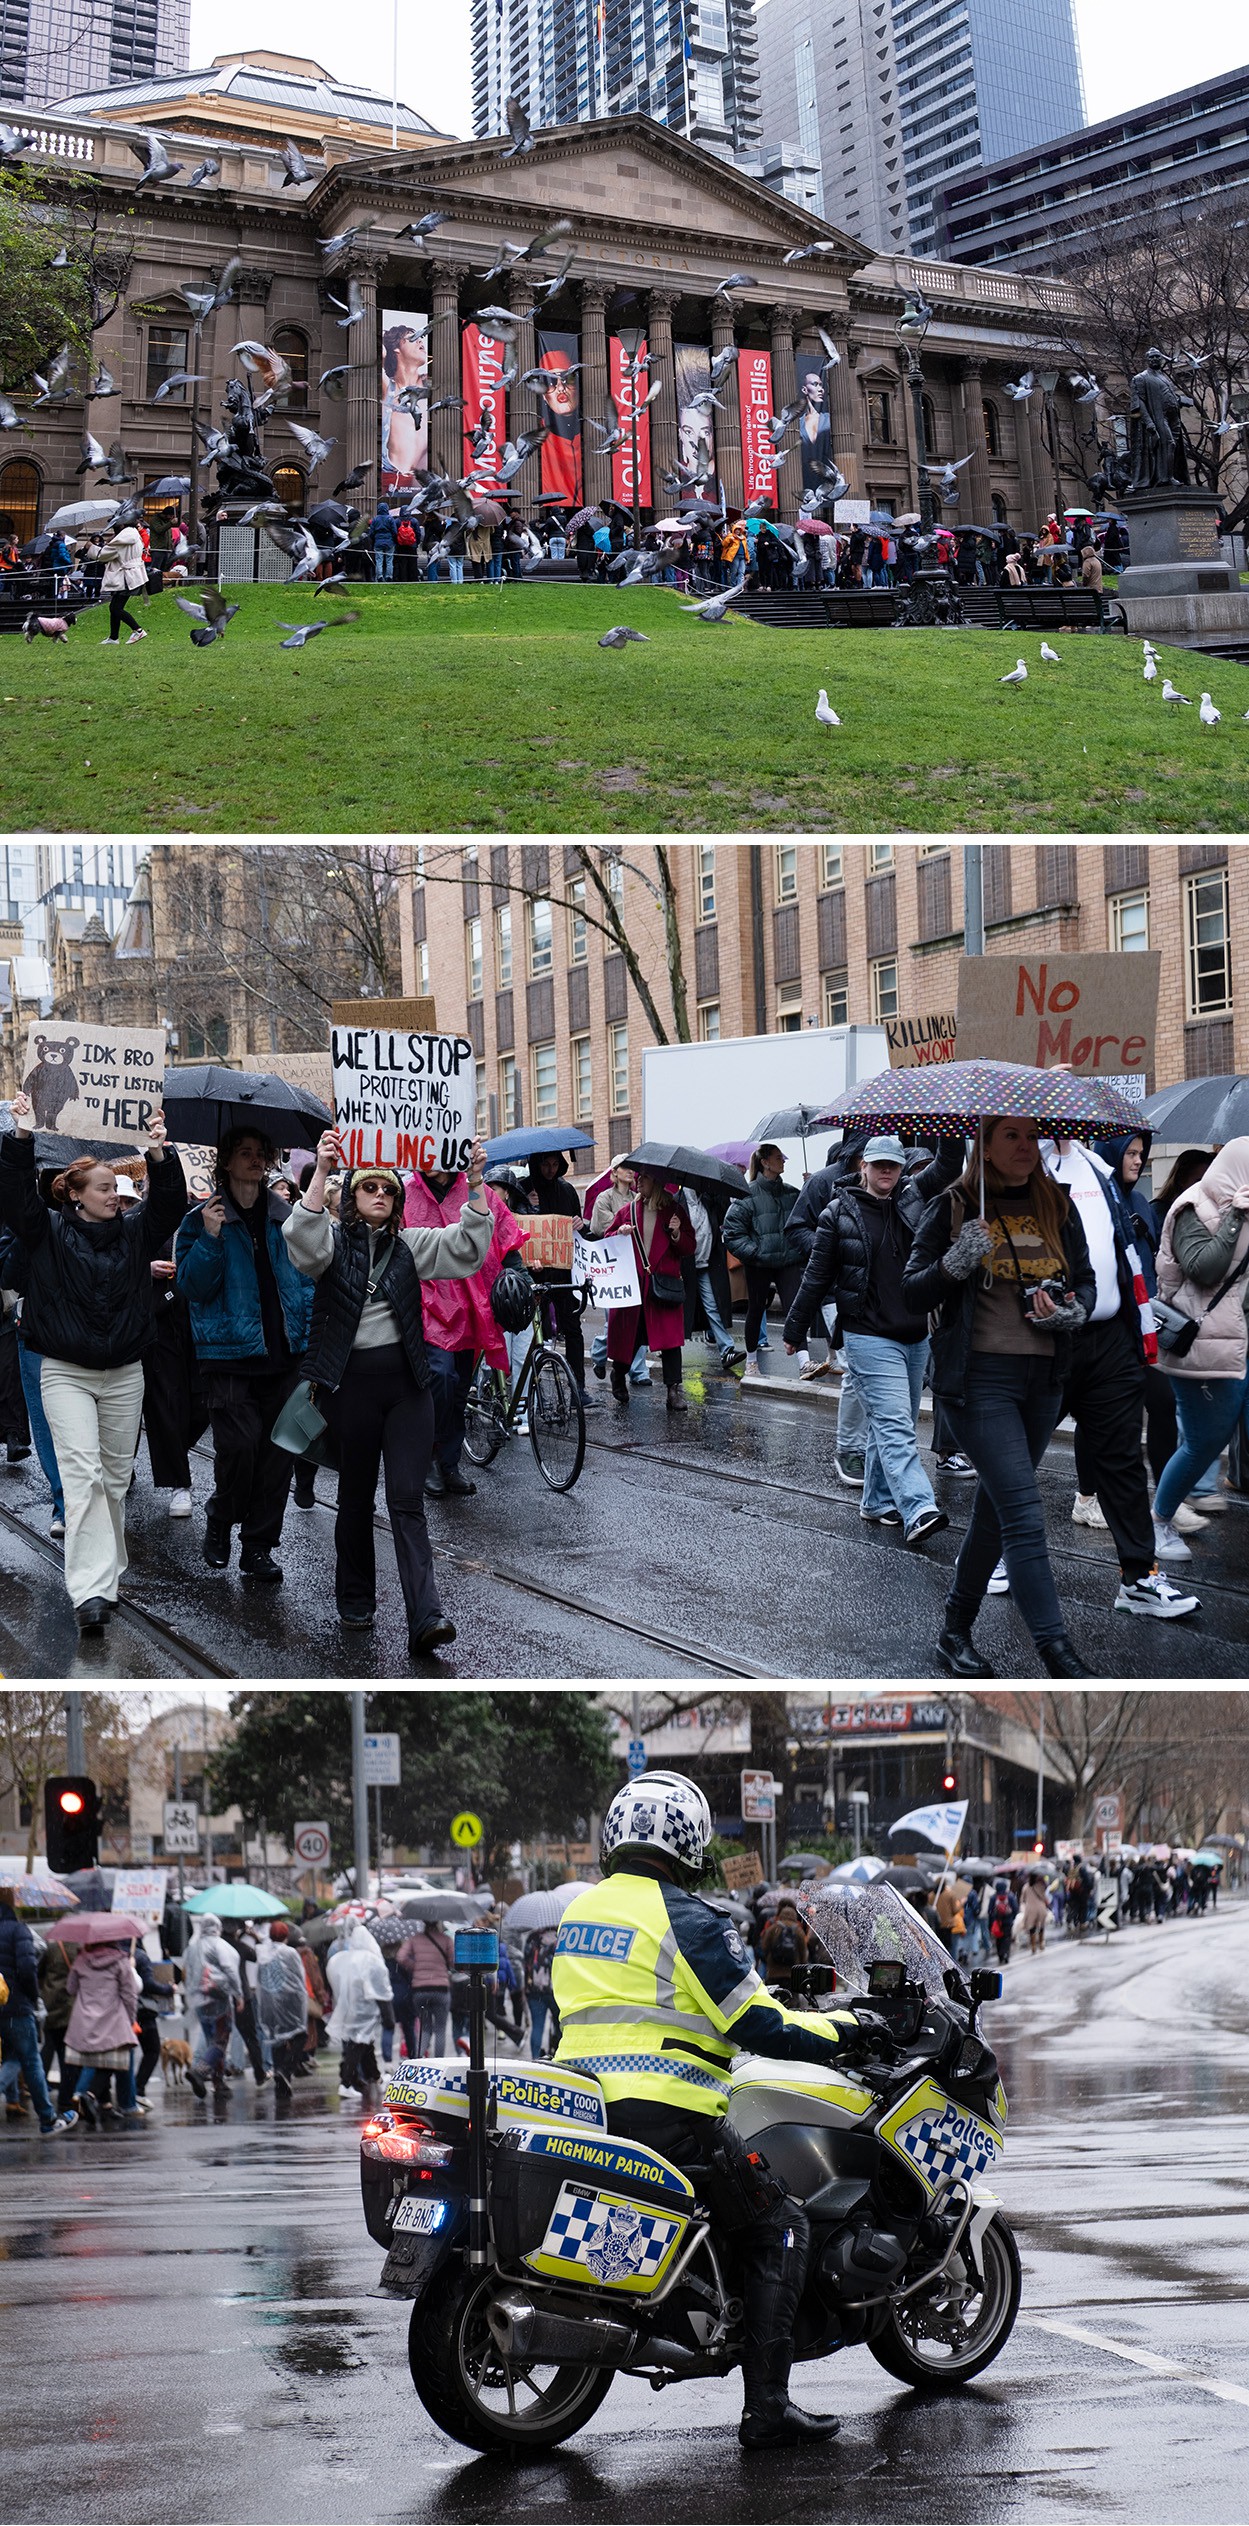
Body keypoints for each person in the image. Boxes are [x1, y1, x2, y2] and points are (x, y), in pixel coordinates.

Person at [552, 1771, 869, 2448]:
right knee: (778, 2223)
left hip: (583, 2109)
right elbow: (755, 2021)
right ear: (689, 1839)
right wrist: (844, 2031)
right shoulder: (690, 1918)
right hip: (668, 2114)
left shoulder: (580, 1911)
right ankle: (767, 2409)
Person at [283, 1130, 493, 1655]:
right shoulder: (332, 1242)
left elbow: (467, 1248)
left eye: (388, 1189)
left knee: (407, 1502)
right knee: (355, 1498)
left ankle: (426, 1616)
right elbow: (303, 1247)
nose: (379, 1194)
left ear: (398, 1201)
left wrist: (475, 1182)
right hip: (349, 1389)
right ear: (351, 1197)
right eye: (368, 1187)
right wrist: (324, 1172)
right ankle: (356, 1602)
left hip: (407, 1389)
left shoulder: (410, 1245)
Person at [903, 1115, 1097, 1679]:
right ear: (983, 1146)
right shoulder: (955, 1206)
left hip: (1043, 1381)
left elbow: (1084, 1280)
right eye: (1011, 1135)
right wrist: (954, 1263)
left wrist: (1070, 1309)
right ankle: (1058, 1655)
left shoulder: (1057, 1206)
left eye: (1032, 1136)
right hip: (979, 1382)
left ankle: (953, 1633)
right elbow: (913, 1290)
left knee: (996, 1511)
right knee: (1023, 1511)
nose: (1026, 1146)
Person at [0, 1094, 185, 1632]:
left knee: (114, 1479)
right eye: (105, 1188)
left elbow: (168, 1206)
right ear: (76, 1196)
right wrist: (20, 1137)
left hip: (125, 1374)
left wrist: (158, 1154)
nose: (117, 1196)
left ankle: (105, 1574)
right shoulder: (46, 1233)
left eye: (120, 1189)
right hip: (65, 1372)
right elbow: (14, 1198)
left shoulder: (135, 1232)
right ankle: (90, 1594)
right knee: (82, 1479)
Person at [1047, 1133, 1197, 1621]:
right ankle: (990, 1556)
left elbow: (1123, 1251)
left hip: (1112, 1336)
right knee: (1016, 1455)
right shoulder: (1028, 1160)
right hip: (1048, 1338)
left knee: (1122, 1460)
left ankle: (1138, 1577)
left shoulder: (1098, 1169)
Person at [785, 1132, 950, 1547]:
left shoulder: (912, 1197)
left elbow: (948, 1167)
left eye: (893, 1166)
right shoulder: (838, 1213)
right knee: (896, 1427)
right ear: (863, 1167)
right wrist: (794, 1329)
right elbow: (816, 1276)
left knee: (893, 1423)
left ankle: (876, 1501)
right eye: (878, 1165)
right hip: (867, 1335)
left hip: (915, 1335)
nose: (886, 1173)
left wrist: (946, 1121)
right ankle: (918, 1507)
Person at [176, 1128, 313, 1583]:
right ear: (227, 1163)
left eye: (261, 1153)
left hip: (284, 1355)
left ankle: (257, 1547)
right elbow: (192, 1288)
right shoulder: (199, 1220)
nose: (255, 1161)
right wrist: (211, 1238)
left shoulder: (289, 1217)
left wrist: (310, 1339)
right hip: (228, 1356)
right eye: (245, 1154)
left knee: (278, 1457)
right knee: (239, 1448)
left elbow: (308, 1278)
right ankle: (221, 1515)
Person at [403, 1153, 529, 1498]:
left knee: (459, 1391)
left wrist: (520, 1278)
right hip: (428, 1307)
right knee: (439, 1378)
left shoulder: (477, 1191)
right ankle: (428, 1457)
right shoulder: (406, 1192)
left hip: (473, 1306)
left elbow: (504, 1236)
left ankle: (449, 1463)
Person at [1153, 1140, 1249, 1548]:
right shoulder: (1193, 1206)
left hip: (1234, 1340)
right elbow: (1204, 1268)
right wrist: (1236, 1218)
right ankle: (1158, 1522)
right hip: (1201, 1344)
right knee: (1202, 1442)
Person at [603, 1164, 696, 1411]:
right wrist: (619, 1233)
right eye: (638, 1175)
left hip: (663, 1286)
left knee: (671, 1341)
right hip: (634, 1285)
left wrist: (676, 1233)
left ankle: (673, 1390)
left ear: (656, 1180)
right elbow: (607, 1239)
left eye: (643, 1176)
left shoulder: (674, 1212)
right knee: (631, 1337)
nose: (637, 1179)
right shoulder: (628, 1211)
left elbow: (689, 1247)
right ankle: (619, 1373)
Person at [514, 1148, 594, 1404]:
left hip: (562, 1273)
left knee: (573, 1328)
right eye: (545, 1164)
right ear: (535, 1164)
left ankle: (578, 1389)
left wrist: (583, 1225)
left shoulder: (567, 1190)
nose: (550, 1169)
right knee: (530, 1331)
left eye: (554, 1164)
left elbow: (578, 1230)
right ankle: (529, 1391)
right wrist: (529, 1207)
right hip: (532, 1273)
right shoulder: (523, 1189)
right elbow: (514, 1225)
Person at [723, 1145, 808, 1382]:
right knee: (756, 1309)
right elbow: (731, 1232)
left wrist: (810, 1188)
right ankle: (751, 1361)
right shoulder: (747, 1194)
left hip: (788, 1260)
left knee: (795, 1308)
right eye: (779, 1157)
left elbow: (809, 1218)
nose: (783, 1161)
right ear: (765, 1163)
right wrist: (755, 1252)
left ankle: (804, 1363)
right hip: (759, 1262)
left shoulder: (792, 1192)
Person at [141, 1225, 210, 1519]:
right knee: (167, 1403)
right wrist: (146, 1269)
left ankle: (173, 1454)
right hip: (161, 1326)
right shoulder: (139, 1223)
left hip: (201, 1323)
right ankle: (180, 1482)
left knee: (205, 1405)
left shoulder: (197, 1221)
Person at [0, 1884, 77, 2134]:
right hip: (16, 2005)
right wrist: (33, 1998)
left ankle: (48, 2117)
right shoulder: (18, 1930)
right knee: (31, 2060)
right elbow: (27, 1970)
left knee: (13, 2058)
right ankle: (47, 2119)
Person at [65, 1935, 142, 2127]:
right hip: (113, 2020)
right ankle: (90, 2096)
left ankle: (97, 2100)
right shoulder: (120, 1961)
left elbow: (71, 1989)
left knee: (96, 2062)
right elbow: (130, 1994)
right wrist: (130, 2019)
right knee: (113, 2063)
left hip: (85, 2021)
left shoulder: (81, 1959)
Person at [588, 1164, 649, 1385]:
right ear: (614, 1173)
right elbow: (601, 1227)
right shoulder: (604, 1198)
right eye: (624, 1168)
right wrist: (623, 1222)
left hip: (636, 1264)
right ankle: (599, 1351)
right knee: (613, 1322)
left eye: (632, 1168)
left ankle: (639, 1371)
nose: (630, 1172)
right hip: (612, 1266)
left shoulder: (639, 1197)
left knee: (638, 1319)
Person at [328, 1919, 394, 2103]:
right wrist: (388, 2017)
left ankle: (376, 2078)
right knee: (356, 2046)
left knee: (365, 2046)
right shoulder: (372, 1961)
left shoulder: (341, 1959)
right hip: (364, 2011)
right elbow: (382, 1991)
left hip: (348, 2009)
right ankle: (346, 2083)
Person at [183, 1909, 243, 2100]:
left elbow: (186, 1972)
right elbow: (231, 1971)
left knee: (212, 2041)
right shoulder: (221, 1946)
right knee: (221, 2040)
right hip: (218, 2000)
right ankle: (200, 2071)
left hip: (199, 2002)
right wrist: (238, 1994)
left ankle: (219, 2083)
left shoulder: (192, 1948)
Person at [256, 1919, 309, 2098]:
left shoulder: (263, 1953)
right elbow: (298, 1979)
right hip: (289, 2003)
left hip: (268, 2002)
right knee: (300, 2036)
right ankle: (285, 2071)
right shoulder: (290, 1953)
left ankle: (280, 2077)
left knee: (276, 2039)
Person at [394, 1918, 453, 2056]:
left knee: (425, 2028)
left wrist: (416, 1967)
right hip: (441, 1989)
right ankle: (439, 2063)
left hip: (420, 1990)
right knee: (440, 2029)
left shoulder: (415, 1939)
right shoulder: (446, 1939)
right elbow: (454, 1961)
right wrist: (443, 1966)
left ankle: (419, 2059)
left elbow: (401, 1957)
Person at [97, 518, 148, 644]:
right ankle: (114, 637)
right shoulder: (131, 534)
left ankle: (138, 630)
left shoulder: (127, 535)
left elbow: (105, 554)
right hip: (128, 575)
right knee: (114, 607)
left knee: (116, 608)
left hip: (127, 577)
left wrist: (92, 548)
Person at [523, 1924, 559, 2059]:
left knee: (537, 2026)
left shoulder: (533, 1937)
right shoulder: (561, 1938)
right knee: (560, 2026)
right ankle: (560, 2059)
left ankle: (535, 2059)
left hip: (535, 1990)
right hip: (556, 1991)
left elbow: (526, 1962)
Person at [759, 1899, 808, 1985]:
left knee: (774, 1996)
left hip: (774, 1971)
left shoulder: (773, 1928)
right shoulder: (799, 1930)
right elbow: (803, 1952)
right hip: (792, 1973)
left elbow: (764, 1947)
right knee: (792, 1997)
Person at [1019, 1873, 1049, 1955]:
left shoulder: (1025, 1887)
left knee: (1032, 1928)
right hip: (1041, 1908)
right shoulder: (1040, 1885)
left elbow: (1022, 1899)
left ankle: (1033, 1946)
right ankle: (1041, 1943)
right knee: (1041, 1926)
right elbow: (1044, 1895)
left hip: (1030, 1909)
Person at [367, 503, 397, 581]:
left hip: (378, 542)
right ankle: (389, 576)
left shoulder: (375, 519)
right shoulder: (390, 519)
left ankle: (379, 576)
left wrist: (375, 539)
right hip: (389, 542)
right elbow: (394, 532)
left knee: (379, 560)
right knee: (389, 560)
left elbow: (371, 533)